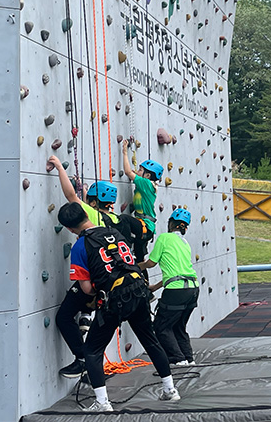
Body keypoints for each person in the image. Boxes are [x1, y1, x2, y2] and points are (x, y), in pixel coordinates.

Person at [58, 202, 180, 411]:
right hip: (139, 291)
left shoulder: (80, 246)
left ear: (69, 229)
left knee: (92, 350)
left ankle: (102, 402)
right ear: (86, 215)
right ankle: (170, 390)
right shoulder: (114, 233)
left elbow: (86, 289)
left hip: (115, 299)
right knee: (150, 341)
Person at [48, 156, 131, 378]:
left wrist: (58, 166)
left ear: (91, 203)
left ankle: (83, 359)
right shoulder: (115, 220)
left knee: (64, 316)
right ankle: (86, 313)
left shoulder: (90, 215)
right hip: (114, 279)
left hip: (93, 277)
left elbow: (70, 196)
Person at [138, 208, 199, 366]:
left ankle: (177, 359)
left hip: (176, 291)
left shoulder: (164, 238)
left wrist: (135, 266)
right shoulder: (185, 243)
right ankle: (188, 358)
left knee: (161, 326)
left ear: (171, 223)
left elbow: (150, 263)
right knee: (178, 326)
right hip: (192, 289)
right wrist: (154, 287)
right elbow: (176, 274)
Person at [121, 140, 163, 264]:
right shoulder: (148, 184)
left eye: (140, 170)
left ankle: (125, 246)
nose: (137, 171)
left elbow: (128, 172)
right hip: (147, 229)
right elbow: (134, 174)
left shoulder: (145, 183)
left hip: (144, 225)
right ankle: (144, 283)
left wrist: (124, 152)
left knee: (124, 219)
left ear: (148, 175)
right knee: (139, 261)